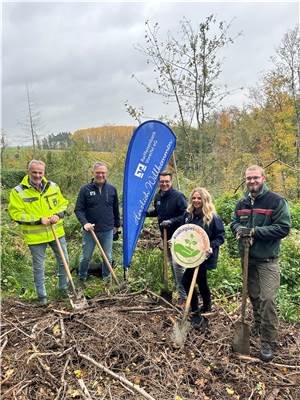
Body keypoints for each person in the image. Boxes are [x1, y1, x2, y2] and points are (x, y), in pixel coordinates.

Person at [231, 165, 291, 362]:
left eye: (255, 178)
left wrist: (256, 231)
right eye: (249, 178)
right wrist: (239, 228)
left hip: (267, 261)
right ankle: (258, 323)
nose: (252, 181)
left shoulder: (275, 201)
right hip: (248, 259)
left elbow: (283, 228)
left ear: (263, 178)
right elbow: (233, 223)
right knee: (254, 296)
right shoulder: (241, 203)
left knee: (268, 299)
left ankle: (268, 341)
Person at [8, 160, 69, 305]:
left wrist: (58, 215)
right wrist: (37, 220)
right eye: (34, 172)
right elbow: (16, 214)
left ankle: (63, 290)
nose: (37, 175)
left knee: (64, 261)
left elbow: (63, 203)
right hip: (36, 237)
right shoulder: (18, 191)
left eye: (40, 172)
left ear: (44, 172)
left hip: (57, 232)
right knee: (39, 267)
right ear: (28, 171)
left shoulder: (53, 186)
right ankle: (42, 298)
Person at [169, 187, 225, 328]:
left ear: (205, 200)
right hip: (192, 255)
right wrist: (174, 241)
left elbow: (220, 237)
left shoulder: (212, 217)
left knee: (187, 281)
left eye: (199, 198)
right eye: (194, 198)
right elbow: (183, 233)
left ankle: (195, 312)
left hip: (205, 256)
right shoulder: (188, 215)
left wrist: (210, 246)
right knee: (201, 281)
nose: (196, 201)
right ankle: (206, 306)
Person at [146, 171, 188, 305]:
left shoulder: (178, 196)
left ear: (171, 182)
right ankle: (179, 289)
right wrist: (145, 214)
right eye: (162, 181)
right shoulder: (158, 196)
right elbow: (158, 212)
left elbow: (186, 215)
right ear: (159, 182)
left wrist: (171, 221)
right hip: (166, 237)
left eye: (167, 181)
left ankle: (184, 297)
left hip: (178, 238)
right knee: (173, 266)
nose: (164, 184)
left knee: (179, 267)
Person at [75, 162, 120, 284]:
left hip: (107, 230)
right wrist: (84, 223)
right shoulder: (85, 190)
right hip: (90, 231)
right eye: (98, 172)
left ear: (106, 173)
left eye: (103, 172)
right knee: (86, 257)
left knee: (107, 257)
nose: (100, 175)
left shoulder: (112, 189)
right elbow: (78, 209)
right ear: (93, 173)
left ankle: (107, 280)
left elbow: (115, 208)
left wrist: (117, 225)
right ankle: (81, 279)